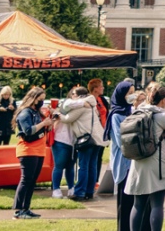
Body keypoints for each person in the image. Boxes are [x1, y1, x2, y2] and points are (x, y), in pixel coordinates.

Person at [126, 83, 165, 231]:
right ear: (164, 100)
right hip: (157, 163)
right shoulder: (160, 116)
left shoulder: (138, 111)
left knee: (138, 204)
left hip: (139, 161)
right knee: (157, 204)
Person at [12, 87, 56, 219]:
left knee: (32, 181)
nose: (42, 102)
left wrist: (50, 121)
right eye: (40, 99)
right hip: (28, 150)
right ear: (33, 98)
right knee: (26, 180)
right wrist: (43, 123)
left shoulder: (36, 112)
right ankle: (19, 209)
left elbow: (43, 129)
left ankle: (26, 207)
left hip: (39, 150)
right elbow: (28, 131)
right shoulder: (25, 113)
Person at [64, 86, 105, 200]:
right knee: (92, 166)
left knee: (83, 167)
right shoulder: (92, 104)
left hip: (86, 139)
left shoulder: (81, 105)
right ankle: (89, 191)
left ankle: (80, 192)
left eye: (73, 94)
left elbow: (68, 118)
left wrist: (58, 115)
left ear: (79, 96)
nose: (72, 96)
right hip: (97, 139)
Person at [107, 79, 137, 231]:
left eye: (133, 93)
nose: (132, 96)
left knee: (133, 202)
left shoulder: (130, 110)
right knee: (124, 203)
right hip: (123, 163)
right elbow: (121, 141)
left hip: (133, 163)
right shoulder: (116, 115)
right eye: (129, 93)